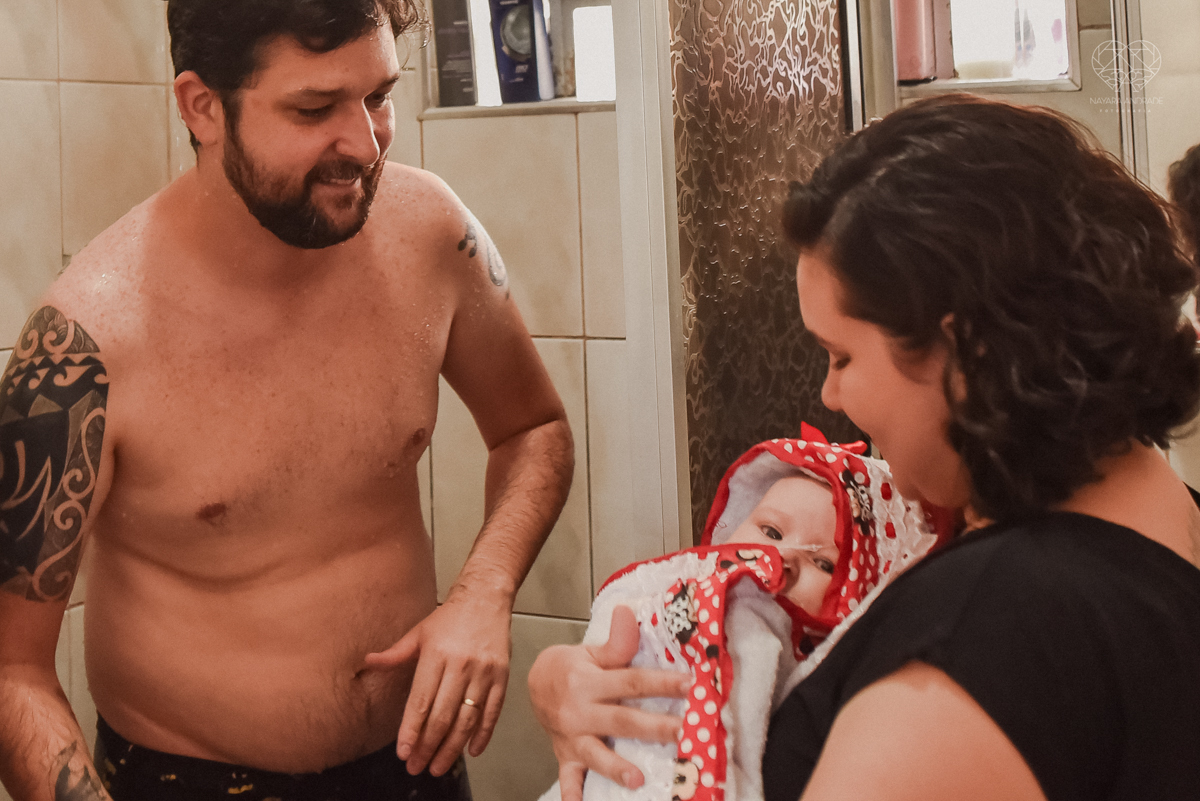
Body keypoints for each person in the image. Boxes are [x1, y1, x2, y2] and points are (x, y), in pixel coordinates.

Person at [529, 94, 1200, 801]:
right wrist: (580, 681)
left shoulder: (988, 639)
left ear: (962, 350)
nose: (830, 396)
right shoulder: (1160, 516)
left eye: (841, 356)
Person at [0, 1, 574, 799]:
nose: (366, 144)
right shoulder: (84, 348)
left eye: (377, 96)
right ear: (202, 107)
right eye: (313, 109)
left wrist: (484, 592)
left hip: (413, 772)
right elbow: (12, 669)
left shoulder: (431, 236)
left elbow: (535, 428)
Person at [538, 428, 944, 801]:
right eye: (770, 532)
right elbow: (597, 664)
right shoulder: (679, 593)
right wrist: (564, 668)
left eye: (823, 563)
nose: (781, 559)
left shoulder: (840, 680)